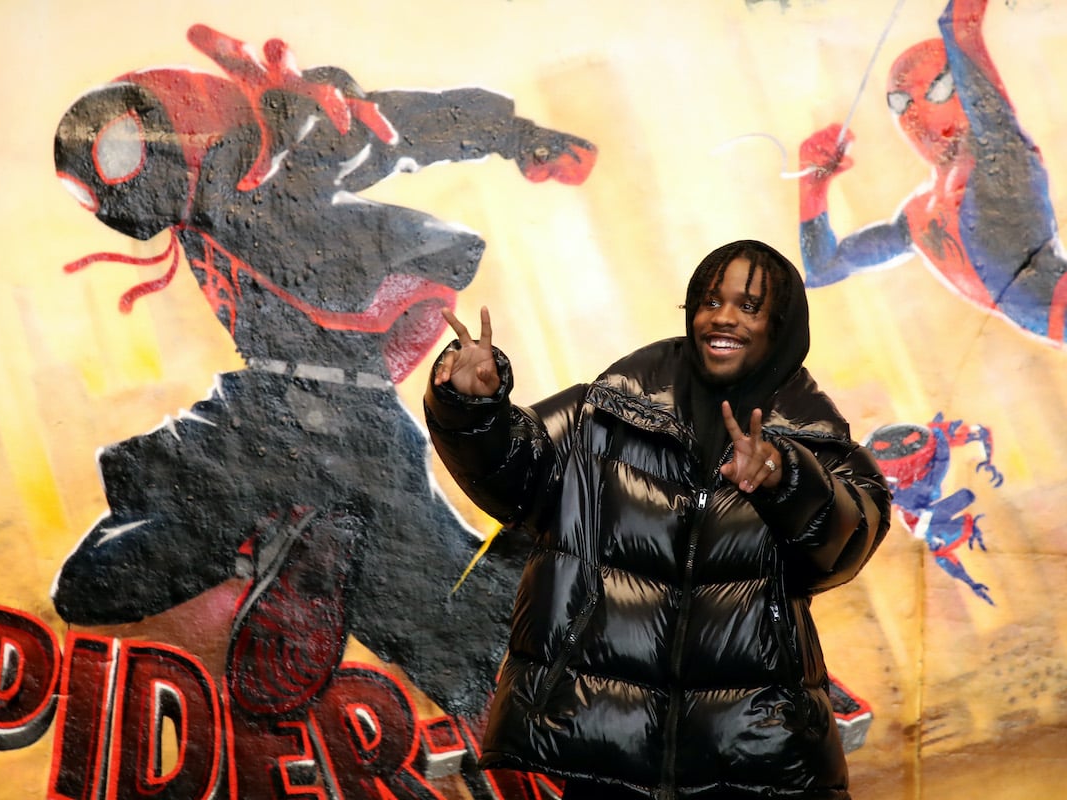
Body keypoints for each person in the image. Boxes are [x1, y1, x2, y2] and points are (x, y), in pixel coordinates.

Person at [424, 239, 891, 799]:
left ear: (782, 326)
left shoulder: (819, 445)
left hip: (748, 752)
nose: (722, 318)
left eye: (748, 306)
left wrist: (786, 479)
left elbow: (849, 542)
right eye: (710, 301)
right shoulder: (603, 412)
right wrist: (471, 405)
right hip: (604, 743)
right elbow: (513, 472)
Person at [799, 0, 1067, 344]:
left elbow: (958, 25)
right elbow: (823, 267)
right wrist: (813, 186)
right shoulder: (918, 220)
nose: (916, 117)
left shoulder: (1000, 152)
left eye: (938, 89)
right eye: (901, 103)